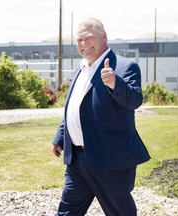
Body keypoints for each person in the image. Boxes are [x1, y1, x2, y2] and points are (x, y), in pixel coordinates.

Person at [52, 17, 150, 216]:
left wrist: (115, 82)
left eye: (88, 38)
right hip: (78, 160)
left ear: (104, 37)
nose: (83, 44)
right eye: (79, 40)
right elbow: (75, 108)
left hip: (110, 159)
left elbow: (134, 100)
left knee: (120, 212)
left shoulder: (124, 66)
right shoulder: (81, 68)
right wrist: (61, 137)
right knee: (67, 211)